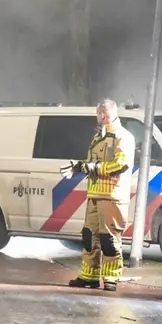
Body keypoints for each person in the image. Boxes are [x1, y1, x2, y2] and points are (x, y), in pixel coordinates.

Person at [60, 99, 134, 291]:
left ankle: (111, 278)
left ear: (102, 114)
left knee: (109, 240)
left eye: (97, 114)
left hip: (112, 196)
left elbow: (122, 164)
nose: (96, 118)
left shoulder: (122, 137)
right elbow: (91, 162)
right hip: (94, 195)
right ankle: (89, 276)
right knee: (89, 237)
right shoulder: (98, 138)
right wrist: (80, 166)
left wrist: (94, 167)